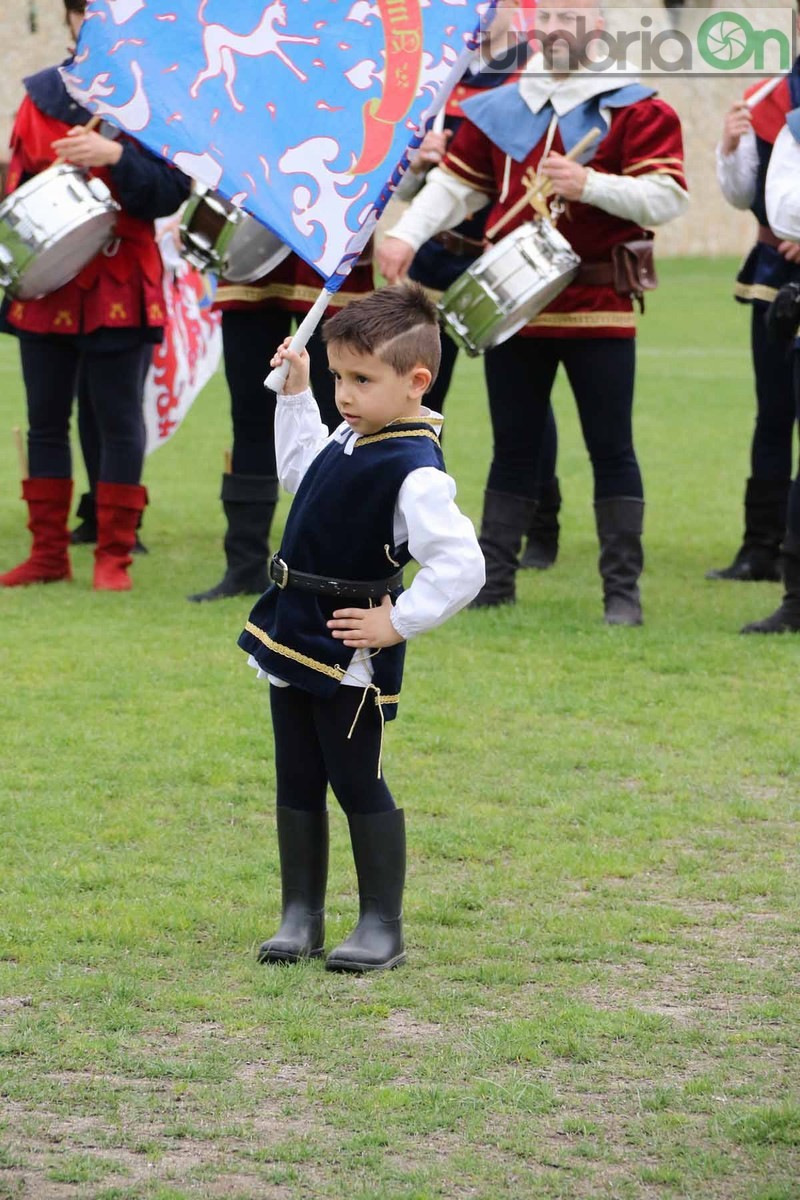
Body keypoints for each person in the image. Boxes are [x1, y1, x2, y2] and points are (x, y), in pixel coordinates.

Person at [377, 0, 688, 624]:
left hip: (598, 303)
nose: (555, 30)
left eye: (571, 18)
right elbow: (456, 186)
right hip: (512, 307)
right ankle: (494, 584)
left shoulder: (637, 107)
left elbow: (666, 197)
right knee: (513, 444)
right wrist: (407, 234)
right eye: (547, 18)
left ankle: (621, 592)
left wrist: (589, 184)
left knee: (611, 445)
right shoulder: (502, 106)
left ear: (595, 29)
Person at [237, 284, 485, 972]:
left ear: (416, 382)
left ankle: (382, 923)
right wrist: (297, 392)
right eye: (339, 377)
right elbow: (300, 474)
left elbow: (462, 566)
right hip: (292, 629)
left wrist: (397, 622)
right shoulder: (350, 435)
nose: (345, 394)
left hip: (351, 647)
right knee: (296, 776)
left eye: (361, 380)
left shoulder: (415, 470)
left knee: (356, 779)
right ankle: (301, 916)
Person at [0, 0, 190, 591]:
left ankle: (114, 556)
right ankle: (49, 555)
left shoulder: (152, 97)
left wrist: (115, 156)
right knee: (46, 421)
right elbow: (18, 191)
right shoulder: (40, 97)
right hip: (48, 286)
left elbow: (169, 193)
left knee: (118, 421)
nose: (96, 23)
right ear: (73, 20)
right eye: (87, 12)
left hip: (120, 278)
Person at [395, 0, 562, 571]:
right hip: (434, 256)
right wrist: (416, 163)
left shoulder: (529, 78)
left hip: (502, 260)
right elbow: (395, 182)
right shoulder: (431, 74)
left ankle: (542, 521)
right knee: (416, 398)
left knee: (521, 401)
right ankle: (416, 520)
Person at [186, 249, 374, 602]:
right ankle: (244, 566)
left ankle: (346, 564)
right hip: (254, 249)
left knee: (348, 421)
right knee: (249, 419)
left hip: (333, 246)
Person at [707, 57, 800, 583]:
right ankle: (761, 547)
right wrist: (730, 146)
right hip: (774, 279)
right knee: (773, 415)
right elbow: (744, 196)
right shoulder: (767, 98)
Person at [741, 97, 800, 633]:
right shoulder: (788, 120)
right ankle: (790, 589)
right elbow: (781, 209)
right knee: (778, 421)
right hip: (786, 288)